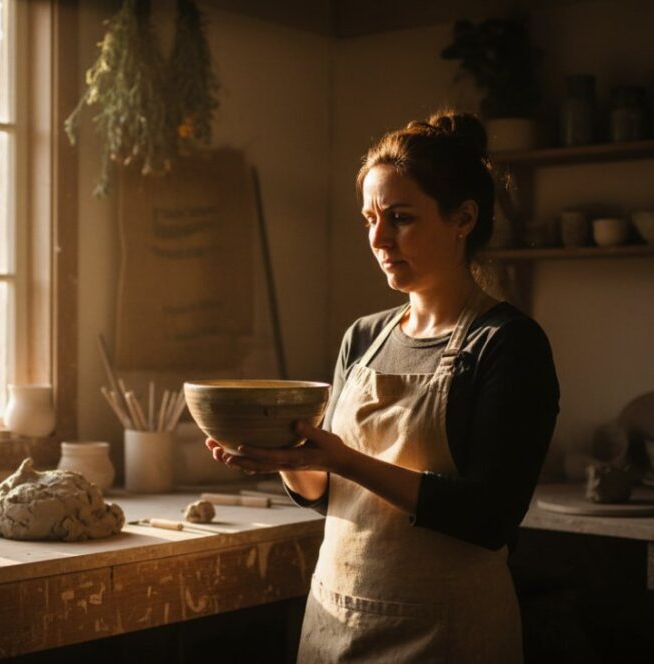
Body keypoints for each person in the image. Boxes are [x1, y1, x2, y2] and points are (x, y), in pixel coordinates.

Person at [205, 111, 559, 662]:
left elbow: (489, 517)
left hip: (447, 633)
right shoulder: (364, 336)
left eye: (400, 218)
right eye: (369, 218)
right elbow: (328, 493)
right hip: (337, 617)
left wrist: (346, 461)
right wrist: (280, 454)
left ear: (464, 217)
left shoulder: (508, 344)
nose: (377, 238)